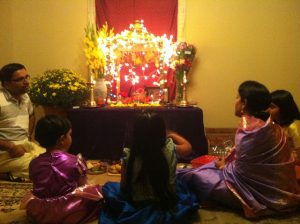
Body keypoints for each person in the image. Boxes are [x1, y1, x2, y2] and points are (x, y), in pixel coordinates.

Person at [177, 80, 300, 218]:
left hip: (256, 194)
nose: (235, 101)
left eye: (237, 97)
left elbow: (242, 173)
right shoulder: (271, 125)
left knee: (193, 176)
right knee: (204, 168)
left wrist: (224, 167)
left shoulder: (249, 128)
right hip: (281, 190)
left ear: (244, 103)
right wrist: (225, 164)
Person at [99, 112, 199, 224]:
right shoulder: (170, 148)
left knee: (109, 187)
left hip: (137, 202)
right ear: (162, 133)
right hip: (165, 199)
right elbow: (188, 147)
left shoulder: (130, 155)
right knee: (183, 182)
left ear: (136, 134)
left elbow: (124, 187)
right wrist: (171, 134)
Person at [20, 115, 103, 224]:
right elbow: (83, 185)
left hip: (40, 212)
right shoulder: (76, 161)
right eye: (69, 134)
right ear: (62, 139)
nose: (71, 137)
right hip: (67, 210)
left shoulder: (34, 163)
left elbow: (37, 185)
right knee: (97, 193)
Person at [0, 63, 45, 180]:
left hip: (24, 146)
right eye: (20, 79)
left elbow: (31, 115)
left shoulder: (25, 96)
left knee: (53, 157)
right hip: (5, 152)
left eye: (26, 77)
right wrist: (10, 146)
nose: (26, 82)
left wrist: (29, 135)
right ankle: (7, 176)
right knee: (43, 169)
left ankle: (13, 174)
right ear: (6, 84)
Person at [268, 89, 300, 179]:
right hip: (281, 167)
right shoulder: (275, 125)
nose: (267, 110)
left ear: (284, 108)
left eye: (272, 107)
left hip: (293, 169)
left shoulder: (294, 126)